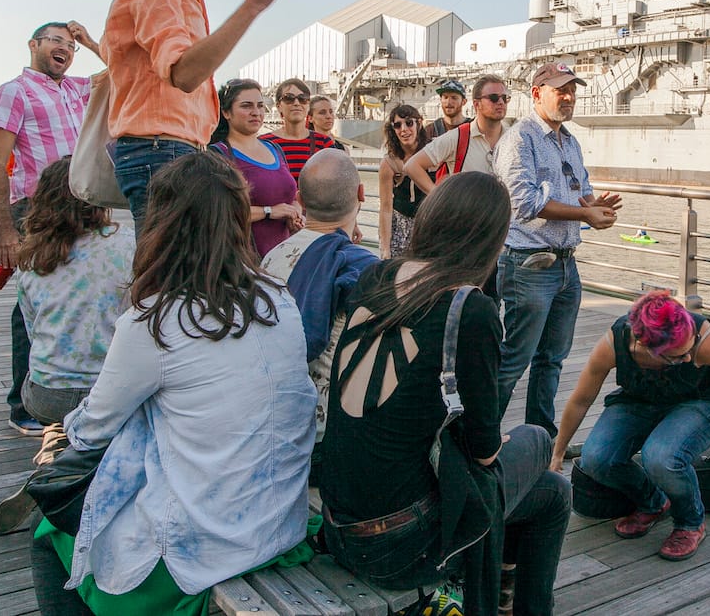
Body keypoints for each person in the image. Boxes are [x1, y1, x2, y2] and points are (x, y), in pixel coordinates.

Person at [30, 152, 317, 615]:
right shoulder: (277, 298)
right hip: (279, 521)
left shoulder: (155, 322)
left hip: (203, 547)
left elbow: (91, 431)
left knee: (46, 537)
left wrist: (65, 427)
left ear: (162, 221)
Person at [318, 172, 570, 616]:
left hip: (341, 526)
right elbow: (486, 450)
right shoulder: (469, 309)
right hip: (402, 542)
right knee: (537, 443)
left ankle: (502, 589)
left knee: (547, 491)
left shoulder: (377, 275)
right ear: (491, 239)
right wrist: (495, 445)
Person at [101, 0, 296, 231]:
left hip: (172, 151)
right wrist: (251, 7)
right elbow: (184, 73)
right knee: (175, 277)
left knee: (178, 276)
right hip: (160, 152)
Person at [550, 290, 710, 561]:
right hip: (640, 399)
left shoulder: (704, 342)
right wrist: (558, 452)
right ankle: (653, 502)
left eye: (690, 349)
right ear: (644, 346)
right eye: (678, 357)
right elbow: (581, 400)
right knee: (595, 458)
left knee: (662, 457)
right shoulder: (614, 343)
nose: (689, 359)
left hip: (701, 401)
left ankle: (691, 521)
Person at [0, 157, 134, 533]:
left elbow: (33, 329)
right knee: (128, 411)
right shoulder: (127, 244)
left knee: (70, 410)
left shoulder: (32, 256)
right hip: (104, 392)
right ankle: (77, 472)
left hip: (43, 392)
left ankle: (57, 445)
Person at [492, 62, 622, 437]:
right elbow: (523, 203)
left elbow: (579, 186)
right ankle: (478, 442)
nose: (569, 97)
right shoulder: (520, 139)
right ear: (537, 93)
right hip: (529, 265)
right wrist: (585, 212)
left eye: (572, 91)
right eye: (560, 90)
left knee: (552, 361)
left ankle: (540, 438)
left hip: (566, 267)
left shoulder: (569, 140)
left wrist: (597, 204)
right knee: (514, 360)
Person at [0, 19, 100, 436]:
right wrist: (5, 231)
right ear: (33, 44)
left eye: (71, 45)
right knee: (32, 303)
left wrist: (91, 40)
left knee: (78, 294)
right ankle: (23, 403)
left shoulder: (77, 89)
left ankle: (73, 389)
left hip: (84, 205)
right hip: (37, 208)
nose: (66, 49)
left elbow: (124, 73)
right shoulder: (11, 93)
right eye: (57, 41)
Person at [261, 148, 376, 447]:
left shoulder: (270, 258)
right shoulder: (365, 268)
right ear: (362, 193)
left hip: (272, 415)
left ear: (299, 199)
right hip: (328, 432)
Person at [210, 78, 301, 258]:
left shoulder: (275, 149)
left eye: (260, 106)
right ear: (226, 112)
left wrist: (295, 212)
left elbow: (292, 196)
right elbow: (217, 212)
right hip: (242, 262)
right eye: (246, 106)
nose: (256, 112)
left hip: (283, 260)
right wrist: (269, 211)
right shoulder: (218, 155)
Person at [404, 74, 508, 191]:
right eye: (493, 98)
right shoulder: (457, 137)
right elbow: (412, 165)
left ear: (463, 102)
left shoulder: (514, 138)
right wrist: (439, 197)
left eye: (504, 98)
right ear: (476, 104)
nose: (501, 102)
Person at [377, 104, 432, 259]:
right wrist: (385, 248)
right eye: (397, 125)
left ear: (419, 123)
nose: (404, 130)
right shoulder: (389, 163)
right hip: (400, 228)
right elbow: (386, 207)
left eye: (409, 123)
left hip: (428, 225)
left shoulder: (433, 153)